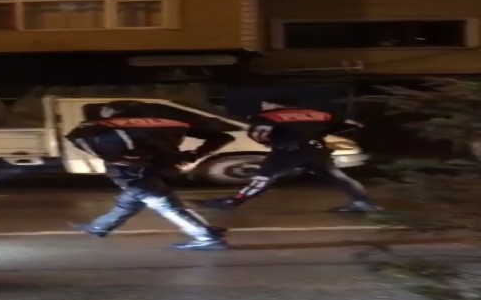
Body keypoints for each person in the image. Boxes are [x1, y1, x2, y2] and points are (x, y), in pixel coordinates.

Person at [65, 100, 236, 251]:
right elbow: (223, 137)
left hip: (131, 171)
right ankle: (99, 227)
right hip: (166, 166)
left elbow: (75, 137)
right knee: (129, 202)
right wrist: (195, 155)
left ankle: (206, 237)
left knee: (164, 205)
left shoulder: (106, 125)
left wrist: (115, 156)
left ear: (112, 112)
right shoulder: (171, 123)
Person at [193, 96, 381, 213]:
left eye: (266, 103)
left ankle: (232, 202)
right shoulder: (315, 113)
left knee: (262, 179)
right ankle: (363, 202)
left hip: (287, 151)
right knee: (338, 176)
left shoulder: (267, 117)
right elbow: (351, 124)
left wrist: (268, 142)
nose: (263, 106)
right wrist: (320, 133)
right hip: (316, 149)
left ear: (275, 104)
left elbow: (259, 134)